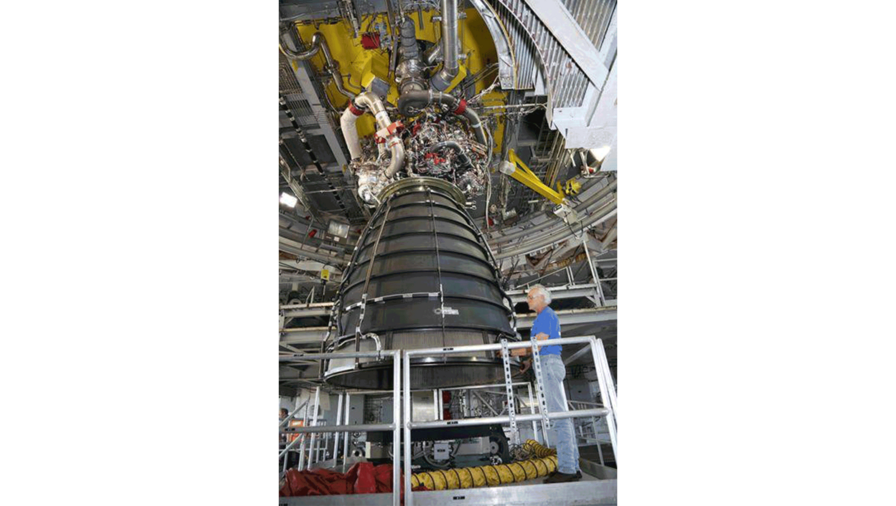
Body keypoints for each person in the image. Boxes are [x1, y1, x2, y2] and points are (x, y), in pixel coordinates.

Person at [500, 284, 581, 483]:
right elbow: (539, 347)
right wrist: (528, 363)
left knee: (560, 418)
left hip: (549, 365)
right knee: (561, 417)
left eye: (530, 297)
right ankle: (573, 466)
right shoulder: (544, 317)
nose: (527, 300)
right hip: (545, 363)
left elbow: (537, 344)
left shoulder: (546, 315)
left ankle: (568, 468)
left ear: (542, 298)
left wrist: (509, 352)